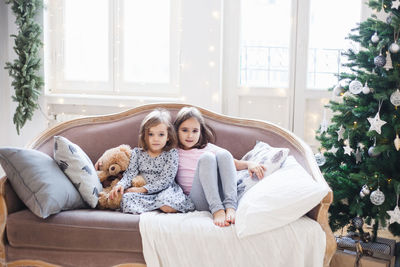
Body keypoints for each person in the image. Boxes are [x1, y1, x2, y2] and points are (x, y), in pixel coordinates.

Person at [174, 106, 266, 227]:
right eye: (184, 130)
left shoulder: (207, 147)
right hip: (197, 200)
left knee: (224, 154)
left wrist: (249, 164)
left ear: (201, 131)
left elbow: (233, 163)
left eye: (195, 131)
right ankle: (217, 210)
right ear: (176, 131)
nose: (190, 135)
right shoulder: (174, 151)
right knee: (207, 158)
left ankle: (230, 206)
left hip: (218, 195)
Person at [109, 109, 195, 214]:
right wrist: (120, 185)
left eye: (161, 134)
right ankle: (155, 207)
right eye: (151, 134)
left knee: (166, 204)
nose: (156, 139)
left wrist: (142, 189)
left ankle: (158, 206)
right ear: (144, 136)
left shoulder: (171, 153)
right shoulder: (137, 153)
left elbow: (166, 180)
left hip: (165, 190)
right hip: (145, 194)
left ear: (168, 136)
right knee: (126, 198)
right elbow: (130, 174)